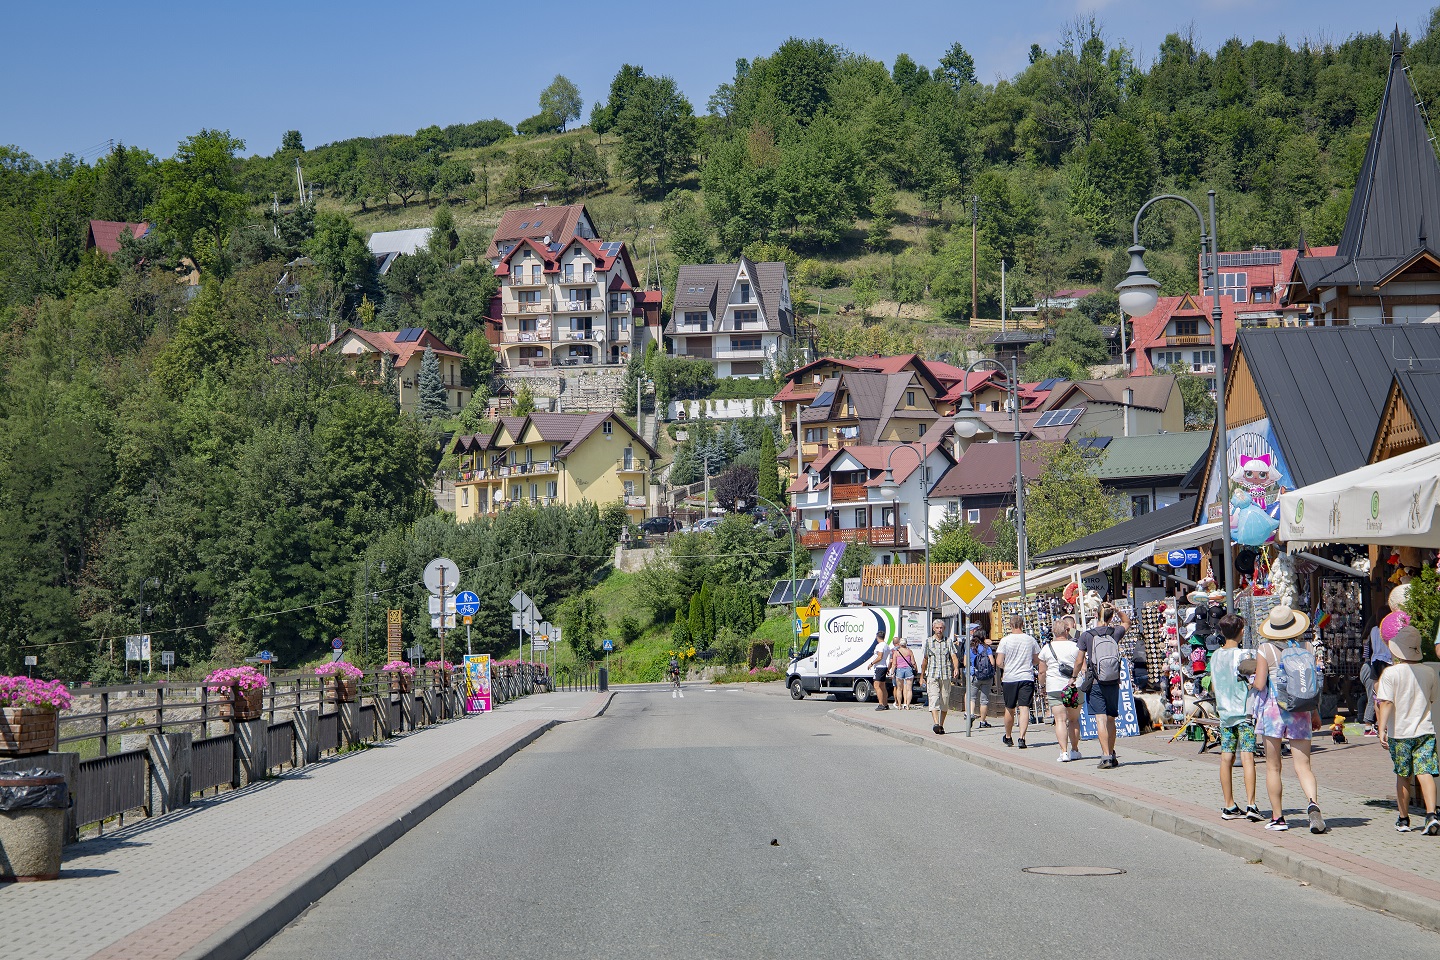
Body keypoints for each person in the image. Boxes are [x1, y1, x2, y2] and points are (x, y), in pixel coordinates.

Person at [1253, 604, 1326, 833]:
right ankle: (1313, 804)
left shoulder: (1265, 649)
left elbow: (1260, 683)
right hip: (1301, 709)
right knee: (1304, 766)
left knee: (1273, 767)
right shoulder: (1306, 647)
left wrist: (1250, 679)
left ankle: (1278, 818)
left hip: (1274, 710)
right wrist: (1315, 712)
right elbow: (1310, 685)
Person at [1374, 620, 1440, 834]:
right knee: (1425, 772)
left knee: (1403, 775)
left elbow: (1386, 702)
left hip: (1400, 732)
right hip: (1425, 730)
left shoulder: (1391, 674)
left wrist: (1381, 728)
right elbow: (1431, 700)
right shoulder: (1429, 672)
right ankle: (1431, 815)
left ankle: (1403, 819)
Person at [1211, 613, 1262, 822]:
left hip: (1225, 713)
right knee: (1248, 756)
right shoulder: (1244, 655)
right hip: (1244, 712)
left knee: (1226, 757)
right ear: (1241, 631)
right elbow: (1254, 680)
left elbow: (1214, 685)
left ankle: (1228, 805)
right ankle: (1251, 804)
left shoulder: (1215, 656)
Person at [1075, 602, 1131, 769]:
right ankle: (1112, 753)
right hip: (1113, 681)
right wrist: (1118, 610)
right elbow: (1127, 622)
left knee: (1100, 719)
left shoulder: (1087, 635)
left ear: (1095, 615)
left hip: (1095, 681)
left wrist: (1073, 676)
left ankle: (1106, 755)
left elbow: (1079, 660)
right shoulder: (1115, 632)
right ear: (1111, 616)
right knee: (1111, 719)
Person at [995, 615, 1040, 749]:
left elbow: (998, 662)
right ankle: (1022, 737)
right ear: (1022, 625)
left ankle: (1008, 736)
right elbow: (1037, 659)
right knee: (1024, 707)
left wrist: (1006, 666)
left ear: (1010, 625)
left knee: (1010, 708)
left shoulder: (1005, 640)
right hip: (1026, 676)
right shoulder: (1030, 640)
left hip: (1010, 678)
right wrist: (1029, 663)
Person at [1038, 619, 1081, 762]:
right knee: (1074, 720)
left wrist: (1042, 686)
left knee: (1060, 720)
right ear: (1067, 631)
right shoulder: (1076, 647)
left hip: (1054, 686)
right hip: (1074, 686)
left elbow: (1042, 672)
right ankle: (1075, 750)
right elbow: (1084, 667)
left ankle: (1063, 752)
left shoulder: (1046, 648)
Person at [920, 619, 959, 735]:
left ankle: (941, 724)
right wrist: (922, 676)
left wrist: (956, 668)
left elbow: (954, 657)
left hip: (946, 675)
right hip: (932, 674)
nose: (939, 630)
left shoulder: (949, 641)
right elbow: (925, 660)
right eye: (937, 628)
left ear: (944, 629)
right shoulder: (928, 642)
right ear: (933, 629)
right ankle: (936, 723)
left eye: (941, 628)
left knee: (945, 700)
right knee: (934, 698)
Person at [1362, 617, 1393, 737]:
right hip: (1387, 661)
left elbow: (1368, 653)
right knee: (1385, 695)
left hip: (1374, 662)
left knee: (1376, 696)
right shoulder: (1387, 628)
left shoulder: (1373, 630)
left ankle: (1380, 725)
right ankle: (1373, 725)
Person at [966, 627, 995, 728]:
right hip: (986, 677)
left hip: (974, 676)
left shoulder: (970, 648)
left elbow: (965, 663)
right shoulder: (987, 648)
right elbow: (992, 662)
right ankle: (983, 721)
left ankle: (971, 714)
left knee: (972, 698)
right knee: (984, 700)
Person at [866, 629, 894, 711]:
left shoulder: (880, 646)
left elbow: (880, 656)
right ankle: (885, 704)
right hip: (884, 666)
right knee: (882, 686)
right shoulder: (886, 645)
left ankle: (881, 704)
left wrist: (871, 663)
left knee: (877, 686)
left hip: (879, 667)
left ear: (877, 637)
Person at [892, 639, 918, 710]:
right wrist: (916, 669)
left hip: (899, 670)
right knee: (909, 689)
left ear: (900, 644)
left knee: (899, 689)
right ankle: (907, 705)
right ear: (906, 644)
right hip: (908, 670)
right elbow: (913, 662)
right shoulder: (909, 651)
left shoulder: (896, 652)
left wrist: (892, 673)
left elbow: (894, 664)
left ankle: (899, 705)